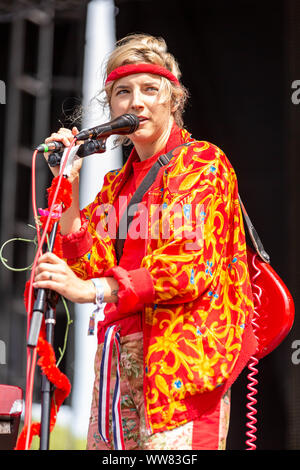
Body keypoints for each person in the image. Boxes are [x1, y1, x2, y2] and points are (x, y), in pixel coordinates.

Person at [33, 33, 257, 450]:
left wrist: (93, 290)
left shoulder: (203, 162)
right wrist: (69, 183)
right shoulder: (117, 184)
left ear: (173, 99)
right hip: (117, 365)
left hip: (181, 370)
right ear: (111, 105)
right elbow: (85, 264)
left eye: (150, 89)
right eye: (123, 92)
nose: (136, 102)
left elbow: (185, 268)